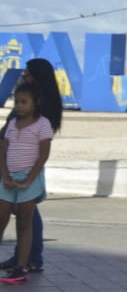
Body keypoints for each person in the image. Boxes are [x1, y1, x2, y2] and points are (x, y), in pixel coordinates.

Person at [1, 59, 61, 276]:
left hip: (27, 171)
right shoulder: (28, 101)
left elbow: (42, 150)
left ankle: (30, 258)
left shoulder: (42, 109)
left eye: (27, 74)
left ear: (36, 77)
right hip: (11, 165)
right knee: (22, 215)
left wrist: (28, 175)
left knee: (27, 217)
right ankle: (23, 257)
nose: (23, 77)